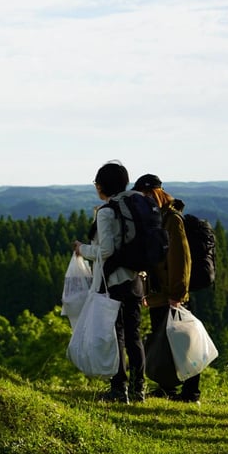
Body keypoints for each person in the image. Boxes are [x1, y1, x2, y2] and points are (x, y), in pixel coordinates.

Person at [73, 161, 147, 403]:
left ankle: (119, 390)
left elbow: (105, 250)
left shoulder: (107, 212)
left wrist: (82, 249)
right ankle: (139, 390)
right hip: (135, 279)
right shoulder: (132, 206)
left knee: (116, 336)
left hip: (113, 282)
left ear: (102, 185)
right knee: (134, 336)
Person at [133, 173, 201, 403]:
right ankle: (167, 388)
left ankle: (191, 393)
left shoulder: (172, 219)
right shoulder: (158, 218)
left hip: (172, 295)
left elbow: (181, 258)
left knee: (184, 343)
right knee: (163, 342)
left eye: (143, 195)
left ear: (153, 193)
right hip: (159, 295)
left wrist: (177, 294)